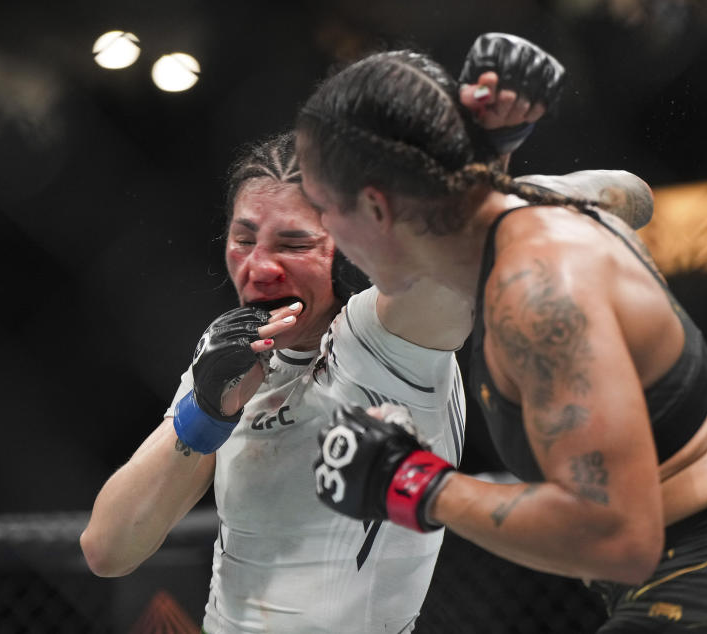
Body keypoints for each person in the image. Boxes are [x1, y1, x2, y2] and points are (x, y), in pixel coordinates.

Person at [80, 34, 652, 633]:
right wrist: (203, 412)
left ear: (352, 245)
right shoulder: (226, 354)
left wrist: (482, 167)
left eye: (295, 244)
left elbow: (625, 197)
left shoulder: (386, 338)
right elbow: (108, 550)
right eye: (244, 239)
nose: (260, 267)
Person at [298, 47, 707, 632]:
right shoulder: (554, 209)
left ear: (375, 206)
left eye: (323, 208)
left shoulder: (536, 291)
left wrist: (410, 481)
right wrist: (479, 160)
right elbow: (633, 193)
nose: (325, 232)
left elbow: (621, 537)